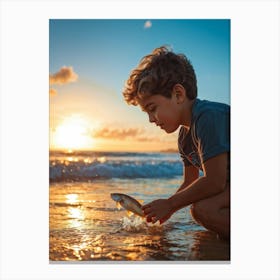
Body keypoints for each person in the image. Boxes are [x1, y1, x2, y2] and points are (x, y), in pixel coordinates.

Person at [122, 46, 230, 240]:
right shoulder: (184, 137)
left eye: (152, 108)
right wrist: (166, 207)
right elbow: (191, 181)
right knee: (202, 207)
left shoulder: (208, 117)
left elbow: (215, 180)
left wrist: (171, 204)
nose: (151, 119)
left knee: (204, 209)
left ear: (178, 94)